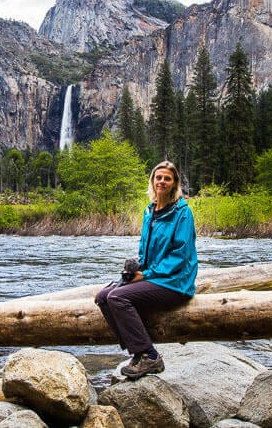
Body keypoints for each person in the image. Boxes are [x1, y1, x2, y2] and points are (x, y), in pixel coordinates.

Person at [94, 160, 198, 379]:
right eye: (158, 177)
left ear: (174, 184)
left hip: (175, 281)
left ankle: (149, 355)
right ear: (152, 181)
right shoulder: (150, 212)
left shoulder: (182, 213)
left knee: (118, 298)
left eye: (167, 178)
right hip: (155, 276)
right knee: (103, 296)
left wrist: (146, 274)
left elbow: (180, 256)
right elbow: (145, 252)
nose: (162, 181)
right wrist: (135, 271)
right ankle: (138, 353)